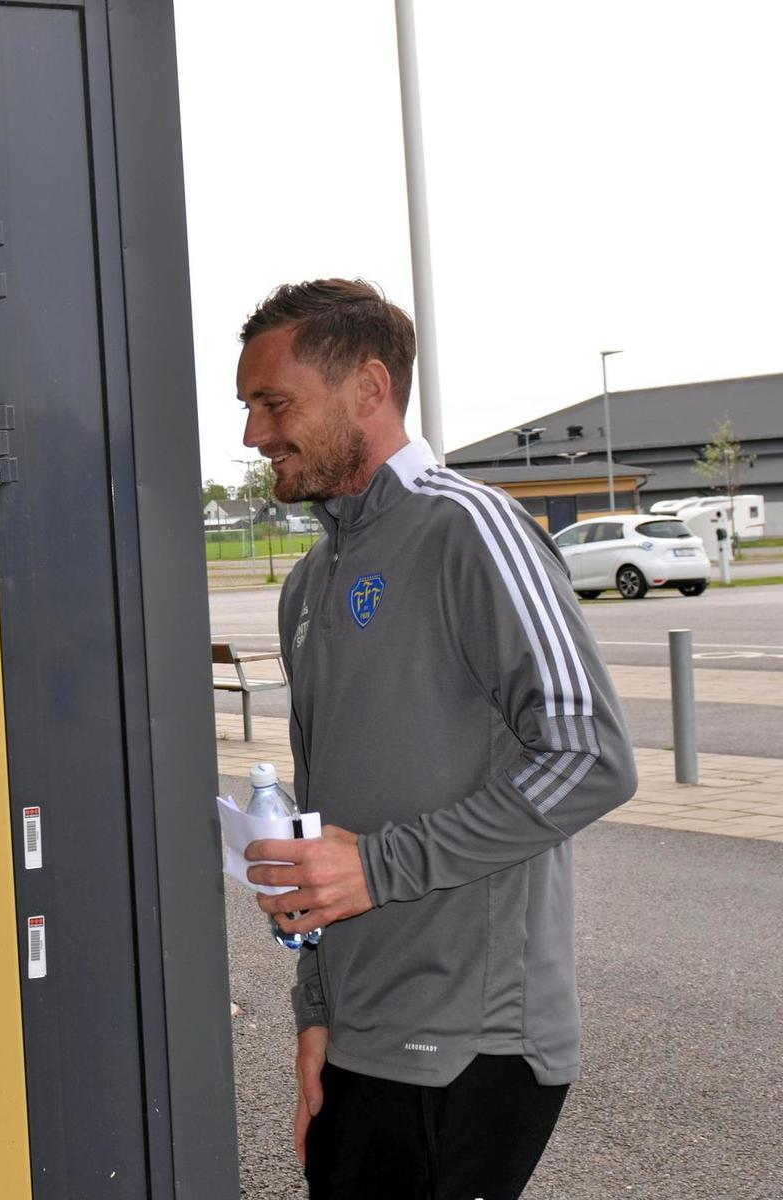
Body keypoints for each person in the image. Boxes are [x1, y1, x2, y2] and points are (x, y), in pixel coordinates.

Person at [234, 279, 636, 1199]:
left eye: (274, 403)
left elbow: (592, 756)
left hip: (471, 1045)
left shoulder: (470, 528)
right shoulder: (310, 583)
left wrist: (380, 867)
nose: (254, 435)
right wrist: (316, 1015)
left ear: (369, 389)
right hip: (360, 1037)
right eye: (251, 408)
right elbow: (330, 819)